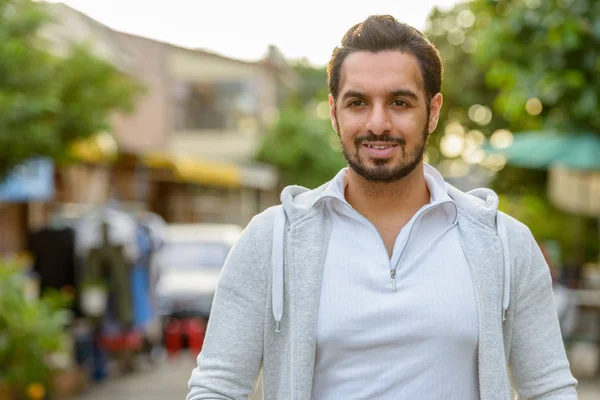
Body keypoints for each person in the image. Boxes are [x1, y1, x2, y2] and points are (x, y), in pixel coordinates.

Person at [187, 15, 577, 399]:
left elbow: (550, 389)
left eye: (400, 102)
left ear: (434, 111)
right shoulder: (271, 239)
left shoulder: (504, 243)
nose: (377, 123)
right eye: (357, 102)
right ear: (334, 112)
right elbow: (215, 388)